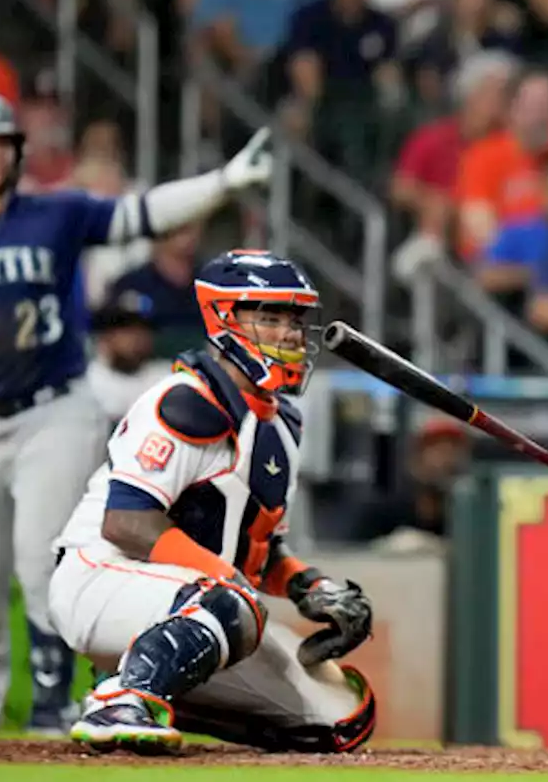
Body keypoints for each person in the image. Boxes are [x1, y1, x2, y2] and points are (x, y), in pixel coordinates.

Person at [0, 91, 274, 734]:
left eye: (3, 143)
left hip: (49, 406)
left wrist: (221, 184)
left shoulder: (54, 212)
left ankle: (53, 708)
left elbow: (141, 214)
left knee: (39, 558)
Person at [49, 250, 375, 754]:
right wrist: (229, 584)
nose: (289, 333)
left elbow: (258, 554)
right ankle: (123, 698)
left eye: (294, 319)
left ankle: (152, 678)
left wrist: (315, 588)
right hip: (100, 576)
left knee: (339, 721)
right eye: (269, 317)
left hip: (194, 599)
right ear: (223, 319)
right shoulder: (185, 400)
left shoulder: (281, 425)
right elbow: (127, 522)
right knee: (234, 603)